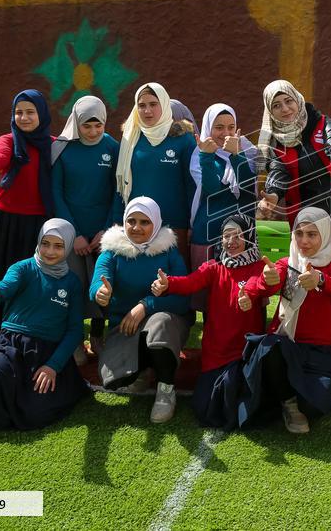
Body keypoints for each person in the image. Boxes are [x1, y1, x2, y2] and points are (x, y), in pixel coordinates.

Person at [256, 79, 331, 382]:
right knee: (304, 277)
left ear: (297, 100)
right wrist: (272, 197)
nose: (285, 109)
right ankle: (311, 344)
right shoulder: (277, 141)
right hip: (304, 220)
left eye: (287, 101)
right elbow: (278, 174)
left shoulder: (321, 121)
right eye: (276, 105)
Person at [0, 219, 89, 439]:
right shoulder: (23, 267)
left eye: (59, 245)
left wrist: (53, 366)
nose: (50, 251)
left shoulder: (72, 282)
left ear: (69, 246)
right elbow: (7, 285)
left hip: (47, 351)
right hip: (10, 344)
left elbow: (74, 330)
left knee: (36, 411)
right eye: (46, 243)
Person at [151, 213, 266, 429]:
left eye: (238, 236)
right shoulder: (214, 267)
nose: (230, 242)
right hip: (216, 351)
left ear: (250, 237)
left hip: (244, 351)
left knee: (239, 396)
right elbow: (190, 283)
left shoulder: (258, 267)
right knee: (205, 405)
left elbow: (263, 284)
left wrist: (250, 294)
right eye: (226, 236)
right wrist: (169, 284)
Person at [238, 207, 331, 434]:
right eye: (299, 233)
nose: (304, 241)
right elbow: (262, 284)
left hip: (320, 353)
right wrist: (264, 283)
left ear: (325, 235)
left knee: (317, 403)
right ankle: (288, 403)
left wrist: (320, 279)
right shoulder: (286, 264)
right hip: (287, 345)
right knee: (269, 348)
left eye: (312, 234)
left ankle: (291, 398)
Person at [90, 197, 190, 423]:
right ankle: (144, 370)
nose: (136, 227)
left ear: (156, 223)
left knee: (159, 324)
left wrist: (145, 305)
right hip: (124, 327)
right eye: (131, 221)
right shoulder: (112, 251)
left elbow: (183, 299)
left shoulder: (169, 251)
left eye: (145, 222)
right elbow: (98, 280)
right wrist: (100, 293)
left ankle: (166, 389)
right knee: (113, 377)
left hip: (167, 324)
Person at [0, 90, 54, 338]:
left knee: (33, 279)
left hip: (40, 223)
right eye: (19, 112)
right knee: (0, 274)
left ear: (42, 113)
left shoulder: (55, 144)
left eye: (30, 112)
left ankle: (29, 329)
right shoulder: (8, 140)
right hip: (6, 221)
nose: (24, 117)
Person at [51, 95, 120, 360]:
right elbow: (57, 193)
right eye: (87, 126)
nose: (93, 132)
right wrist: (74, 234)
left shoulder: (112, 147)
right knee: (75, 286)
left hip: (103, 233)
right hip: (73, 234)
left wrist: (106, 230)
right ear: (76, 123)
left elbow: (118, 191)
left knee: (102, 284)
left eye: (98, 126)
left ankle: (97, 335)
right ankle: (75, 340)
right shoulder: (62, 148)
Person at [114, 83, 196, 265]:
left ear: (165, 105)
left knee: (174, 282)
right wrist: (115, 221)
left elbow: (192, 186)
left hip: (174, 225)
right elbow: (120, 186)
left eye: (153, 104)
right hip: (136, 226)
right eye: (142, 105)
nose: (147, 110)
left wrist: (192, 225)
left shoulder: (184, 140)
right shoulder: (130, 138)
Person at [188, 103, 258, 272]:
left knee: (242, 292)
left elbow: (248, 189)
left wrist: (237, 155)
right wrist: (207, 157)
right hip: (208, 235)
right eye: (219, 127)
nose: (226, 133)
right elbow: (213, 190)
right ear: (208, 128)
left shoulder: (248, 151)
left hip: (242, 236)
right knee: (204, 293)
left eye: (231, 127)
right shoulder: (200, 154)